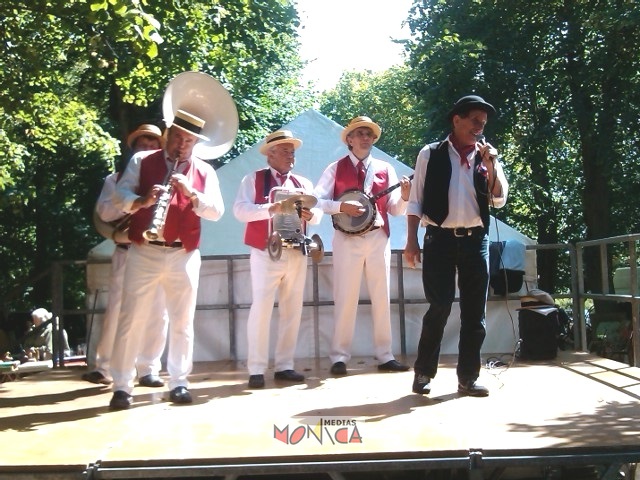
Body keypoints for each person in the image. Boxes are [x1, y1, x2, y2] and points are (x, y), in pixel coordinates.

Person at [108, 109, 225, 409]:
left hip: (183, 253)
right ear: (167, 136)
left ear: (196, 143)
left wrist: (193, 194)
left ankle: (179, 382)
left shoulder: (204, 171)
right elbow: (118, 196)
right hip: (144, 251)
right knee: (130, 317)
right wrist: (142, 201)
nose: (182, 145)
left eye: (188, 140)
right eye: (177, 138)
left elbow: (216, 212)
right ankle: (122, 386)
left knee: (182, 321)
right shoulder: (141, 161)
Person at [404, 95, 509, 397]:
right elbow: (416, 200)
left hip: (476, 241)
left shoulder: (485, 157)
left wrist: (491, 161)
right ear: (457, 120)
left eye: (484, 124)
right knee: (439, 307)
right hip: (438, 240)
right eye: (475, 121)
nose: (479, 128)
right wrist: (411, 240)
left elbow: (499, 198)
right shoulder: (431, 153)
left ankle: (468, 378)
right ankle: (424, 372)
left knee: (475, 313)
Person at [314, 116, 411, 376]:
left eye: (369, 133)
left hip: (378, 237)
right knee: (345, 297)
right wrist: (340, 206)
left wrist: (404, 196)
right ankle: (339, 357)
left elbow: (395, 210)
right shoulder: (335, 168)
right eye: (360, 133)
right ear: (350, 139)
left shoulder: (384, 168)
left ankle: (385, 355)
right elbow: (316, 200)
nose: (365, 137)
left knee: (382, 295)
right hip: (347, 239)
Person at [233, 130, 322, 389]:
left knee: (292, 308)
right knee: (260, 307)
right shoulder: (253, 179)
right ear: (270, 154)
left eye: (292, 150)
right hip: (265, 251)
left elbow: (316, 217)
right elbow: (240, 210)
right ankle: (256, 369)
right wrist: (269, 209)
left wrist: (308, 214)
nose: (290, 154)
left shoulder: (303, 183)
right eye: (285, 150)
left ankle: (285, 365)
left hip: (296, 250)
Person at [82, 124, 169, 387]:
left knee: (157, 311)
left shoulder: (170, 178)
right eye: (141, 146)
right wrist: (136, 201)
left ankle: (148, 369)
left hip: (156, 251)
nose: (146, 150)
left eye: (152, 146)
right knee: (118, 310)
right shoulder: (116, 179)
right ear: (132, 150)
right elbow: (105, 214)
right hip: (127, 249)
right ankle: (105, 367)